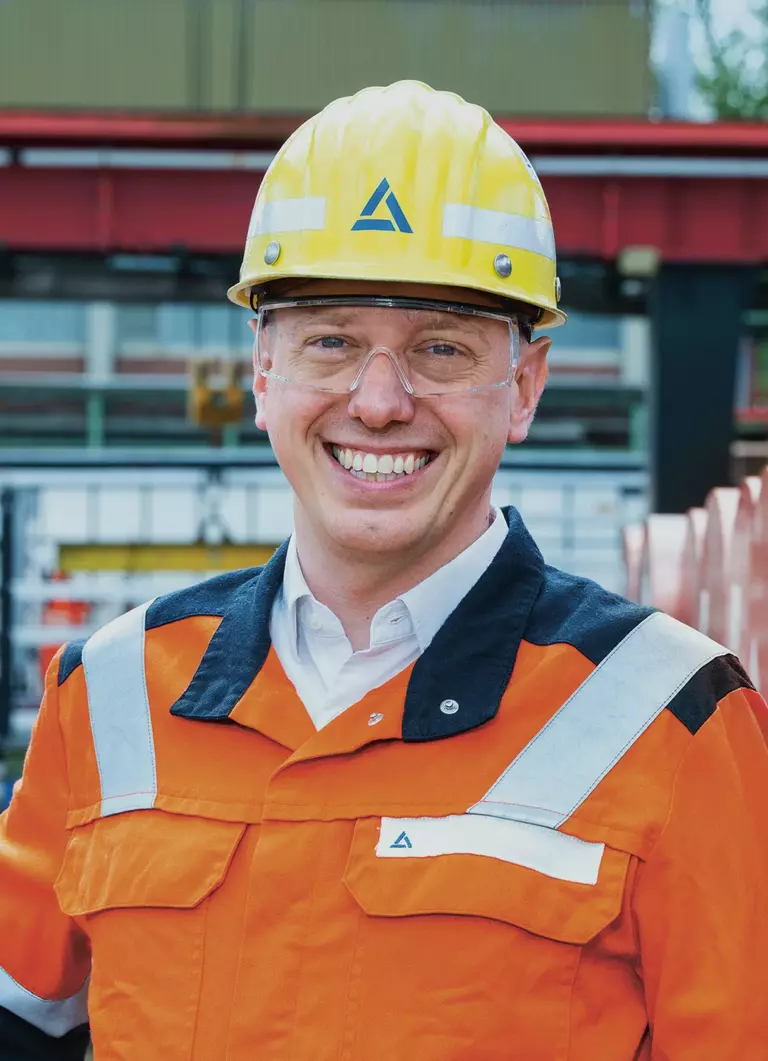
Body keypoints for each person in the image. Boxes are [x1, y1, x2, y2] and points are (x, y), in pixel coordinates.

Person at [1, 80, 767, 1061]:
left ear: (523, 386)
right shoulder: (109, 694)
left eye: (440, 349)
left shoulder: (674, 719)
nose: (377, 401)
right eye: (332, 341)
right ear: (263, 371)